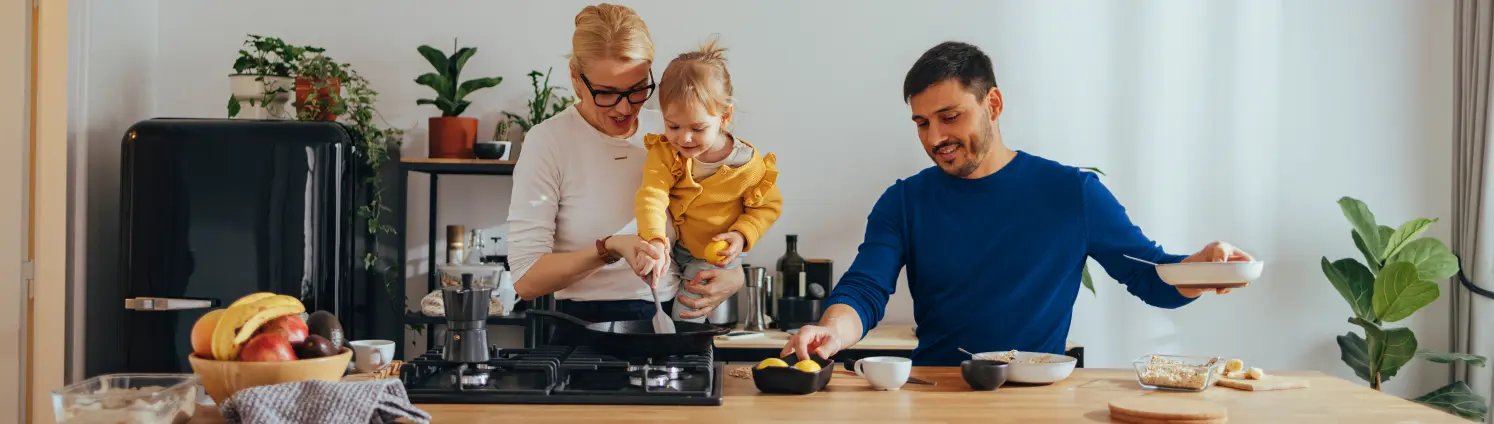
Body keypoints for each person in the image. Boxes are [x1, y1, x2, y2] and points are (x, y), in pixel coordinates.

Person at [781, 41, 1255, 366]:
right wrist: (833, 332)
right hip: (938, 391)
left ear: (993, 103)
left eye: (949, 117)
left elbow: (1148, 275)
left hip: (1038, 394)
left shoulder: (1073, 193)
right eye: (922, 123)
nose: (936, 137)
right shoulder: (903, 201)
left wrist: (1201, 266)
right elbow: (865, 289)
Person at [506, 4, 746, 338]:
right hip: (583, 328)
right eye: (605, 93)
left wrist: (735, 274)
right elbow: (526, 279)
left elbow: (713, 215)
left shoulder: (673, 133)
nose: (624, 108)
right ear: (575, 78)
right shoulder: (549, 142)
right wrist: (609, 248)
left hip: (672, 315)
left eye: (636, 90)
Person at [631, 37, 783, 322]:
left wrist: (740, 235)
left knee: (687, 311)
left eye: (697, 128)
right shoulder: (665, 151)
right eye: (672, 125)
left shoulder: (746, 164)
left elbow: (767, 208)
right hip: (674, 245)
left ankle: (683, 359)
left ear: (724, 118)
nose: (683, 138)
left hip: (712, 254)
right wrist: (654, 237)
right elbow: (652, 194)